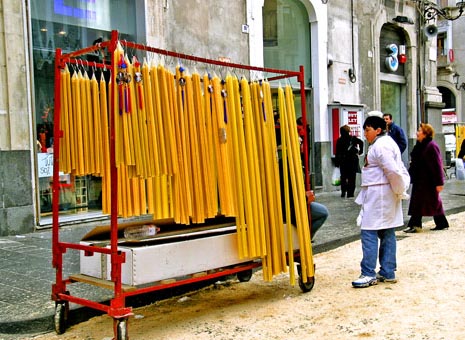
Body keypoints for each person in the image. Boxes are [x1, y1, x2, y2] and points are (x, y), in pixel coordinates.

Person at [352, 112, 410, 288]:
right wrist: (398, 190)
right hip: (382, 192)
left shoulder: (381, 145)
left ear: (377, 130)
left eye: (367, 130)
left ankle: (368, 272)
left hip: (381, 194)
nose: (365, 133)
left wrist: (400, 190)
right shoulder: (383, 143)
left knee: (369, 232)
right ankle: (387, 270)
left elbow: (393, 171)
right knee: (386, 232)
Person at [403, 123, 449, 233]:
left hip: (429, 181)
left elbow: (437, 165)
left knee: (431, 202)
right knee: (421, 202)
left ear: (425, 133)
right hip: (420, 180)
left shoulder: (431, 146)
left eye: (419, 131)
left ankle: (417, 225)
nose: (417, 133)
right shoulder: (420, 145)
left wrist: (439, 183)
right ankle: (438, 223)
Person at [335, 125, 364, 198]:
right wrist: (360, 152)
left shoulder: (339, 140)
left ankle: (343, 192)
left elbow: (337, 152)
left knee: (343, 177)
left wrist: (337, 163)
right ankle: (350, 193)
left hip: (343, 161)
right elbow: (361, 142)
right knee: (352, 177)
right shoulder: (353, 138)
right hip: (352, 160)